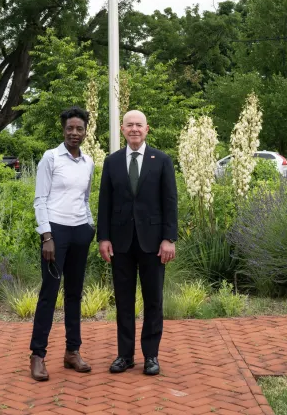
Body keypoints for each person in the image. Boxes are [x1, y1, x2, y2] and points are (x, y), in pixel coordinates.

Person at [97, 109, 178, 377]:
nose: (134, 129)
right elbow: (104, 203)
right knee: (123, 301)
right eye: (129, 125)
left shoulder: (162, 160)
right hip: (120, 243)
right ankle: (125, 355)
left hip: (153, 243)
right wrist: (103, 237)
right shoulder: (112, 161)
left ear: (147, 129)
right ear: (122, 129)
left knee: (153, 300)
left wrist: (169, 239)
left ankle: (151, 356)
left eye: (139, 125)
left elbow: (170, 202)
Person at [29, 106, 97, 382]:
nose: (74, 133)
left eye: (79, 128)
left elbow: (85, 198)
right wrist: (47, 236)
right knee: (49, 293)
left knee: (74, 294)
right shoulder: (50, 158)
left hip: (80, 231)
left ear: (85, 132)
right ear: (63, 129)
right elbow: (39, 199)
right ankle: (37, 355)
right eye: (70, 128)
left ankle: (72, 352)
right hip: (55, 234)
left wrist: (90, 227)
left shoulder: (88, 162)